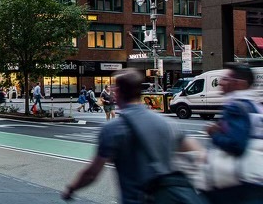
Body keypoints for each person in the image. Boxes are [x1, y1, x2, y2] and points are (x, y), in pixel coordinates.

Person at [61, 69, 206, 204]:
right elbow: (199, 153)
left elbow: (92, 173)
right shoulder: (167, 124)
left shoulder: (113, 129)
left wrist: (71, 188)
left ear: (117, 92)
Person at [202, 62, 263, 203]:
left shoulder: (235, 107)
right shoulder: (255, 106)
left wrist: (214, 134)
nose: (221, 83)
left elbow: (236, 145)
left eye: (226, 79)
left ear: (239, 83)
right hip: (254, 179)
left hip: (237, 183)